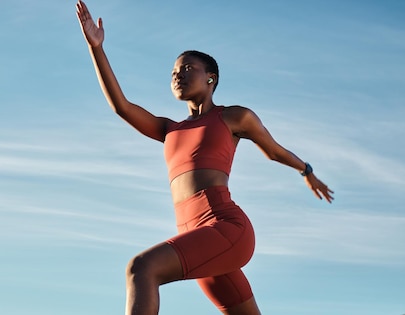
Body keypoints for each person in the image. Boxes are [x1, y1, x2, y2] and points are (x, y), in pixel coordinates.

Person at [75, 1, 334, 315]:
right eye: (173, 72)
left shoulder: (234, 117)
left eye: (187, 69)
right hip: (196, 236)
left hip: (226, 227)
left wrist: (306, 170)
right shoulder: (169, 129)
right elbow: (121, 106)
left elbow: (274, 150)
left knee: (141, 269)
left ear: (211, 78)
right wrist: (96, 47)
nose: (177, 76)